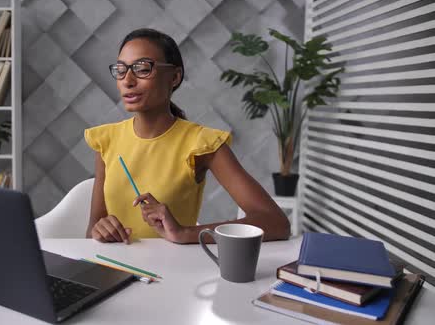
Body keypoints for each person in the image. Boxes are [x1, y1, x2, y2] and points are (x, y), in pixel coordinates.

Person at [84, 28, 290, 244]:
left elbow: (276, 222)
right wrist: (100, 230)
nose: (128, 80)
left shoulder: (202, 144)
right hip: (114, 272)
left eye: (142, 69)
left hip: (173, 274)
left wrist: (185, 233)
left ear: (174, 77)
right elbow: (91, 233)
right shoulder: (106, 140)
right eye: (121, 70)